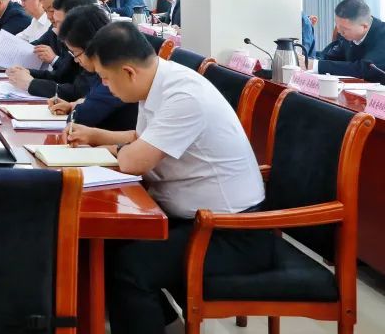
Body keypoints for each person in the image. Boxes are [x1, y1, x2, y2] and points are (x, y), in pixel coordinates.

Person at [66, 21, 269, 334]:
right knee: (104, 245)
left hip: (231, 230)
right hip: (192, 217)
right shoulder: (157, 80)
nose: (105, 86)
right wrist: (96, 136)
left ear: (128, 72)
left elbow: (134, 161)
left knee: (131, 268)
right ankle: (167, 324)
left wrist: (113, 147)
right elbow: (143, 138)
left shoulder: (184, 96)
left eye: (105, 78)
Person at [46, 5, 138, 130]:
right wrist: (73, 105)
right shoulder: (109, 63)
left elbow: (80, 118)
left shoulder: (115, 72)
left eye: (76, 53)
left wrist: (77, 109)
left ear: (90, 47)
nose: (76, 60)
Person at [6, 0, 94, 99]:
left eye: (59, 22)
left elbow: (78, 91)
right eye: (46, 11)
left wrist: (31, 83)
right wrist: (28, 73)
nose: (49, 17)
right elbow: (60, 75)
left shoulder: (93, 46)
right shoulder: (63, 33)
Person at [311, 0, 385, 77]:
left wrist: (317, 66)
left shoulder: (382, 35)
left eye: (344, 29)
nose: (339, 31)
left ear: (364, 26)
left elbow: (365, 69)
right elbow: (332, 56)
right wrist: (309, 60)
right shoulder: (346, 34)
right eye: (337, 25)